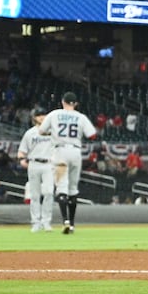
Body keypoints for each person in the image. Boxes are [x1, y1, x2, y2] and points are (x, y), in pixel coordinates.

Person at [38, 91, 99, 235]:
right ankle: (72, 225)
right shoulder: (81, 117)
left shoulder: (54, 114)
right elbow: (92, 135)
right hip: (75, 152)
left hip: (59, 152)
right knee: (73, 188)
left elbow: (41, 131)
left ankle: (65, 221)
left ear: (62, 102)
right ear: (75, 104)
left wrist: (53, 133)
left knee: (61, 188)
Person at [18, 107, 56, 232]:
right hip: (34, 163)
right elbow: (22, 150)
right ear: (34, 118)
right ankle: (35, 222)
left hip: (49, 164)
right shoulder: (30, 133)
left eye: (44, 115)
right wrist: (22, 160)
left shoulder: (53, 131)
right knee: (34, 195)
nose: (42, 117)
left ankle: (46, 221)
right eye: (39, 115)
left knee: (49, 192)